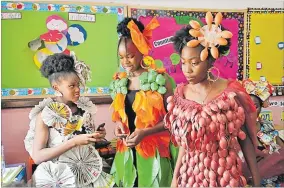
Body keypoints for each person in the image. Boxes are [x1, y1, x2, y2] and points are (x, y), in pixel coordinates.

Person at [164, 12, 261, 187]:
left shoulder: (231, 93)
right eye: (183, 62)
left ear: (210, 62)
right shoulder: (181, 95)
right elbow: (186, 145)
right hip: (191, 177)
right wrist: (175, 178)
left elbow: (244, 139)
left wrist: (257, 180)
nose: (187, 70)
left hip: (225, 176)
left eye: (194, 63)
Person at [24, 53, 114, 187]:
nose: (78, 90)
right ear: (56, 87)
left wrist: (96, 136)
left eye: (78, 85)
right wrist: (73, 142)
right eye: (71, 86)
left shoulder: (84, 110)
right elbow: (38, 156)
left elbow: (86, 146)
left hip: (87, 174)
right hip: (60, 179)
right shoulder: (45, 116)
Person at [110, 17, 177, 187]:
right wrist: (118, 123)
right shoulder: (119, 81)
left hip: (154, 153)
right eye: (121, 57)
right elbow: (120, 114)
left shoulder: (161, 80)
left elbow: (173, 120)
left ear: (142, 50)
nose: (125, 62)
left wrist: (145, 132)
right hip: (126, 151)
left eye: (130, 56)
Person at [242, 78, 284, 186]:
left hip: (273, 179)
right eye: (247, 105)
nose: (250, 109)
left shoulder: (267, 126)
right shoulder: (236, 130)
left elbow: (281, 149)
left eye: (255, 106)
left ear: (261, 108)